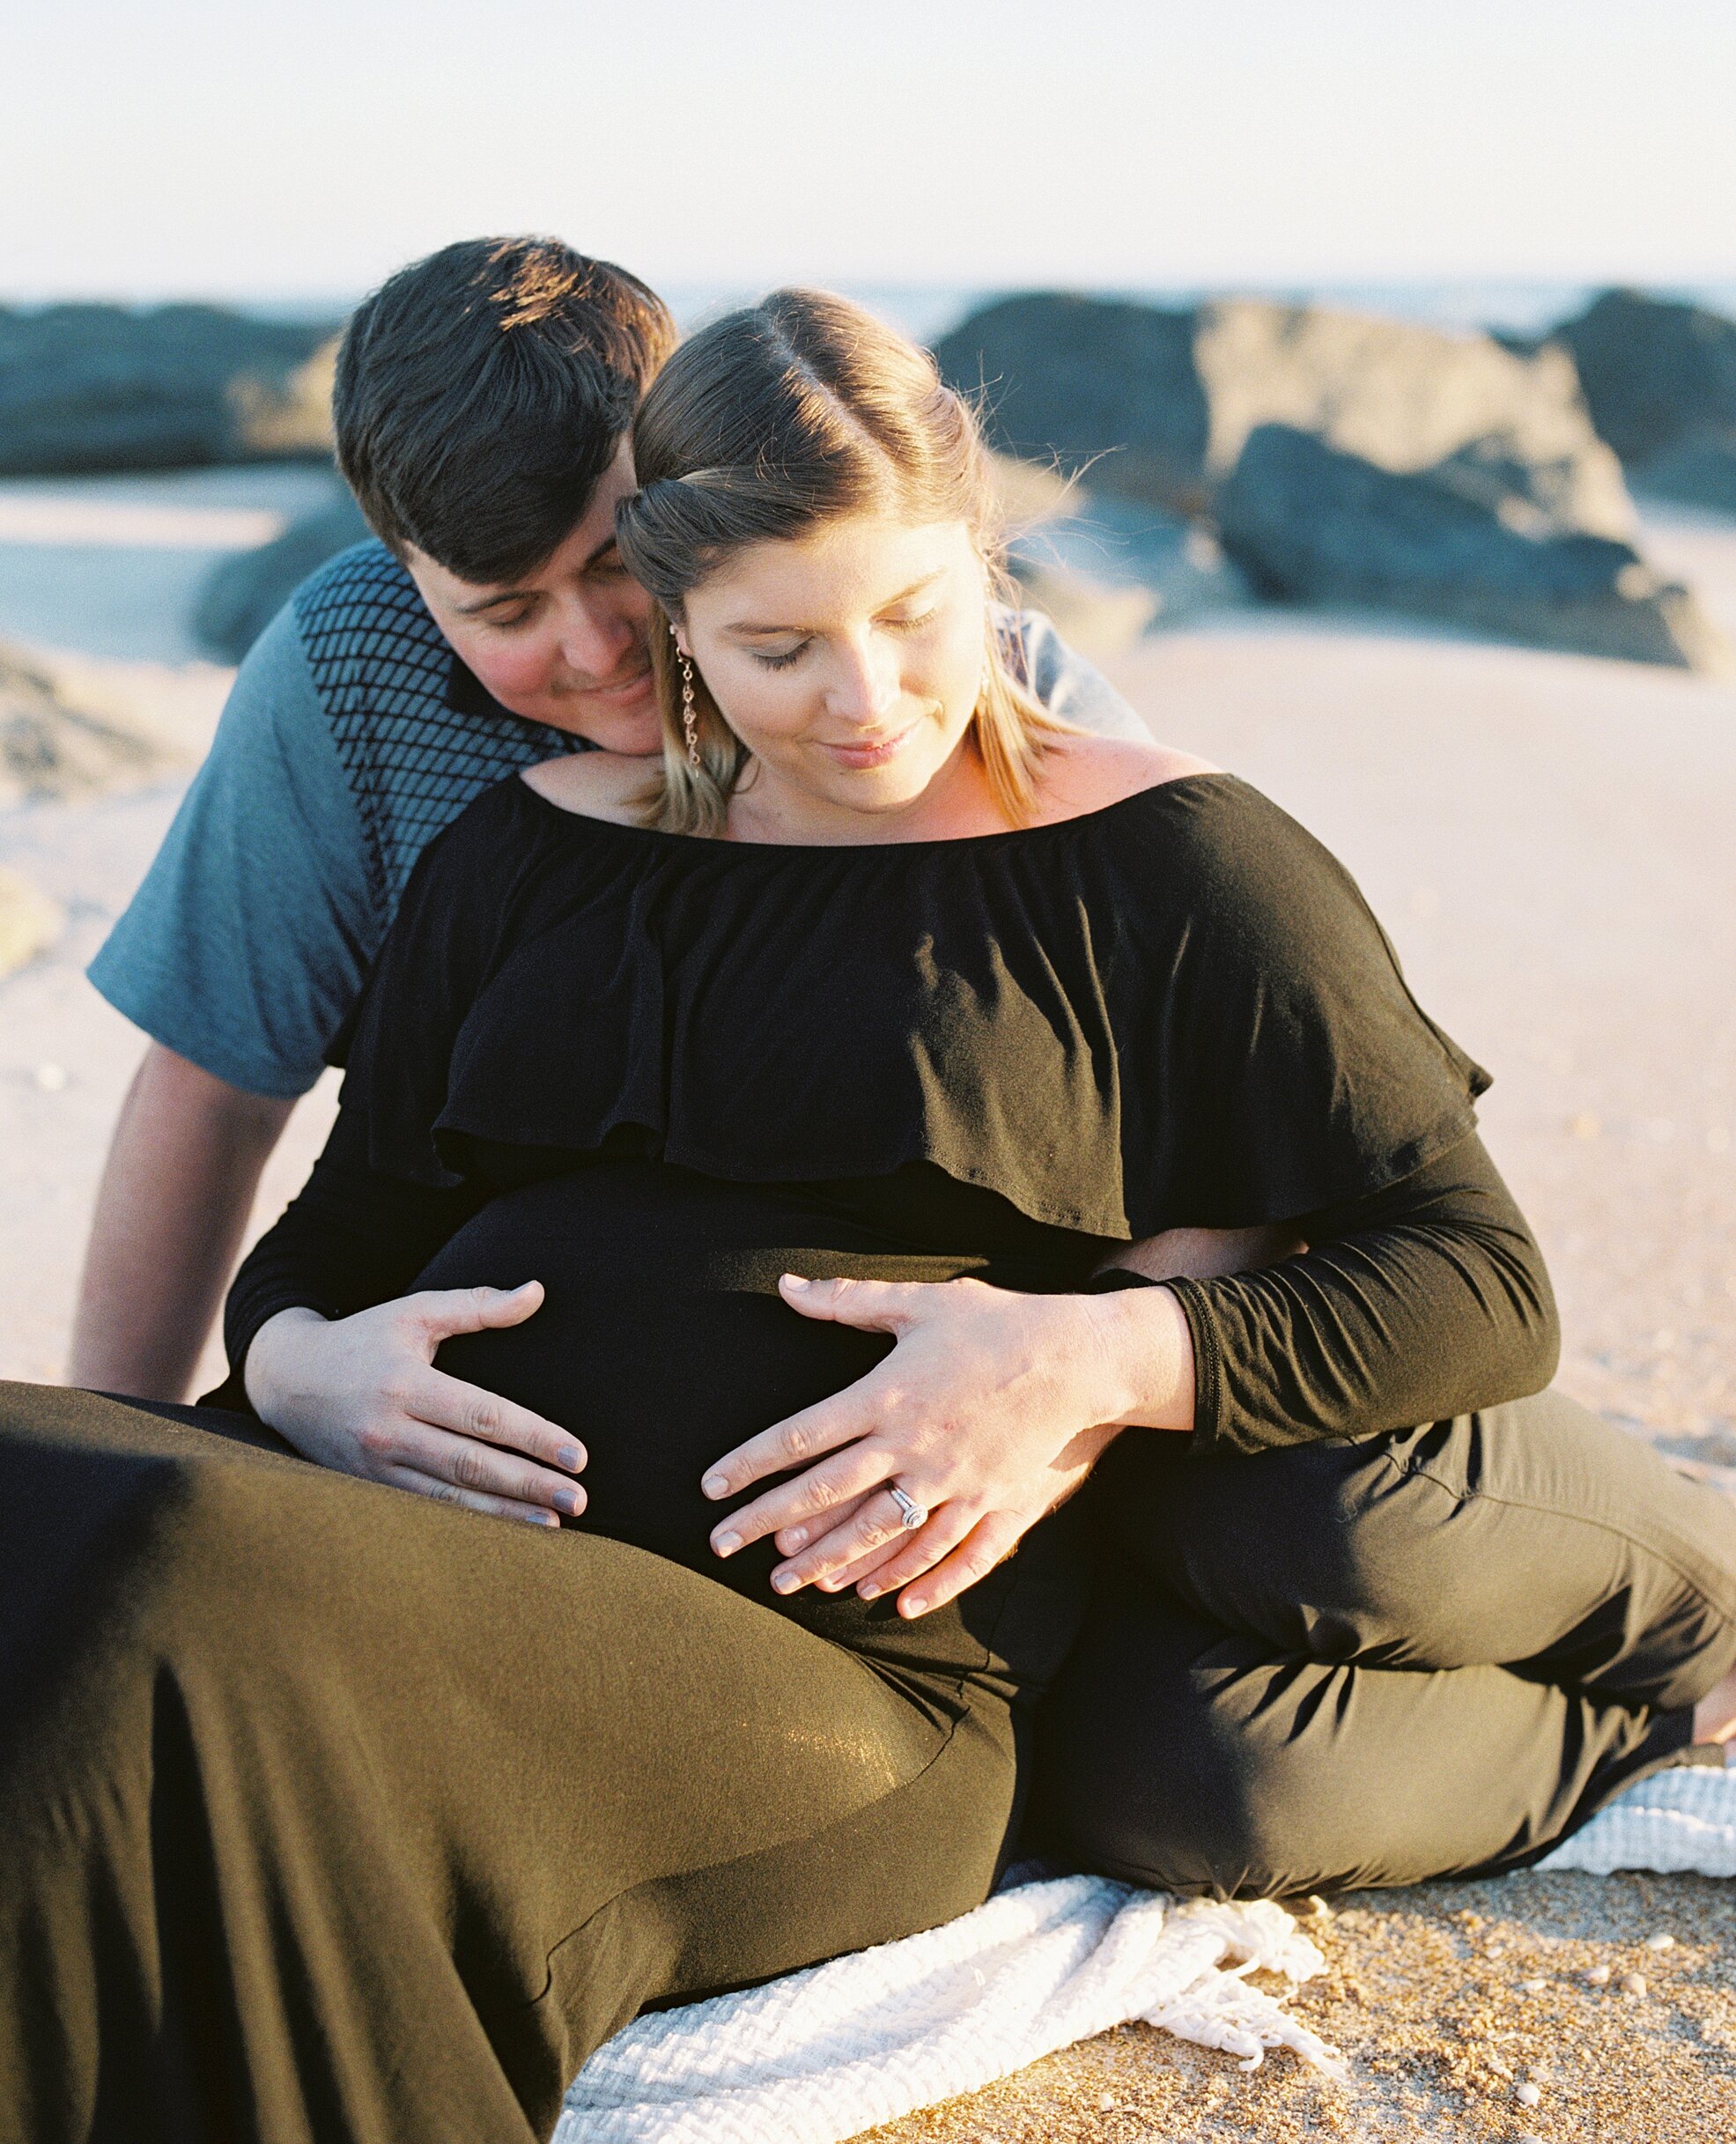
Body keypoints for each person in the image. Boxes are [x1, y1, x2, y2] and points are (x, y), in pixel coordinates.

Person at [5, 291, 1732, 2144]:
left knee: (183, 1582)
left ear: (982, 562)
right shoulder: (521, 858)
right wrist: (301, 1362)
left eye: (914, 616)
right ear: (671, 618)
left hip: (835, 1694)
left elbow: (1470, 1280)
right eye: (774, 647)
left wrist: (1085, 1354)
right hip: (423, 1555)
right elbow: (335, 1232)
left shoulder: (1167, 858)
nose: (864, 700)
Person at [69, 238, 1144, 1402]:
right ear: (406, 576)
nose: (594, 650)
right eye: (506, 610)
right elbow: (217, 1091)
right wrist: (119, 1435)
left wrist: (1066, 1392)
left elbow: (1219, 1108)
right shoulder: (353, 665)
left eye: (617, 562)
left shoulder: (949, 690)